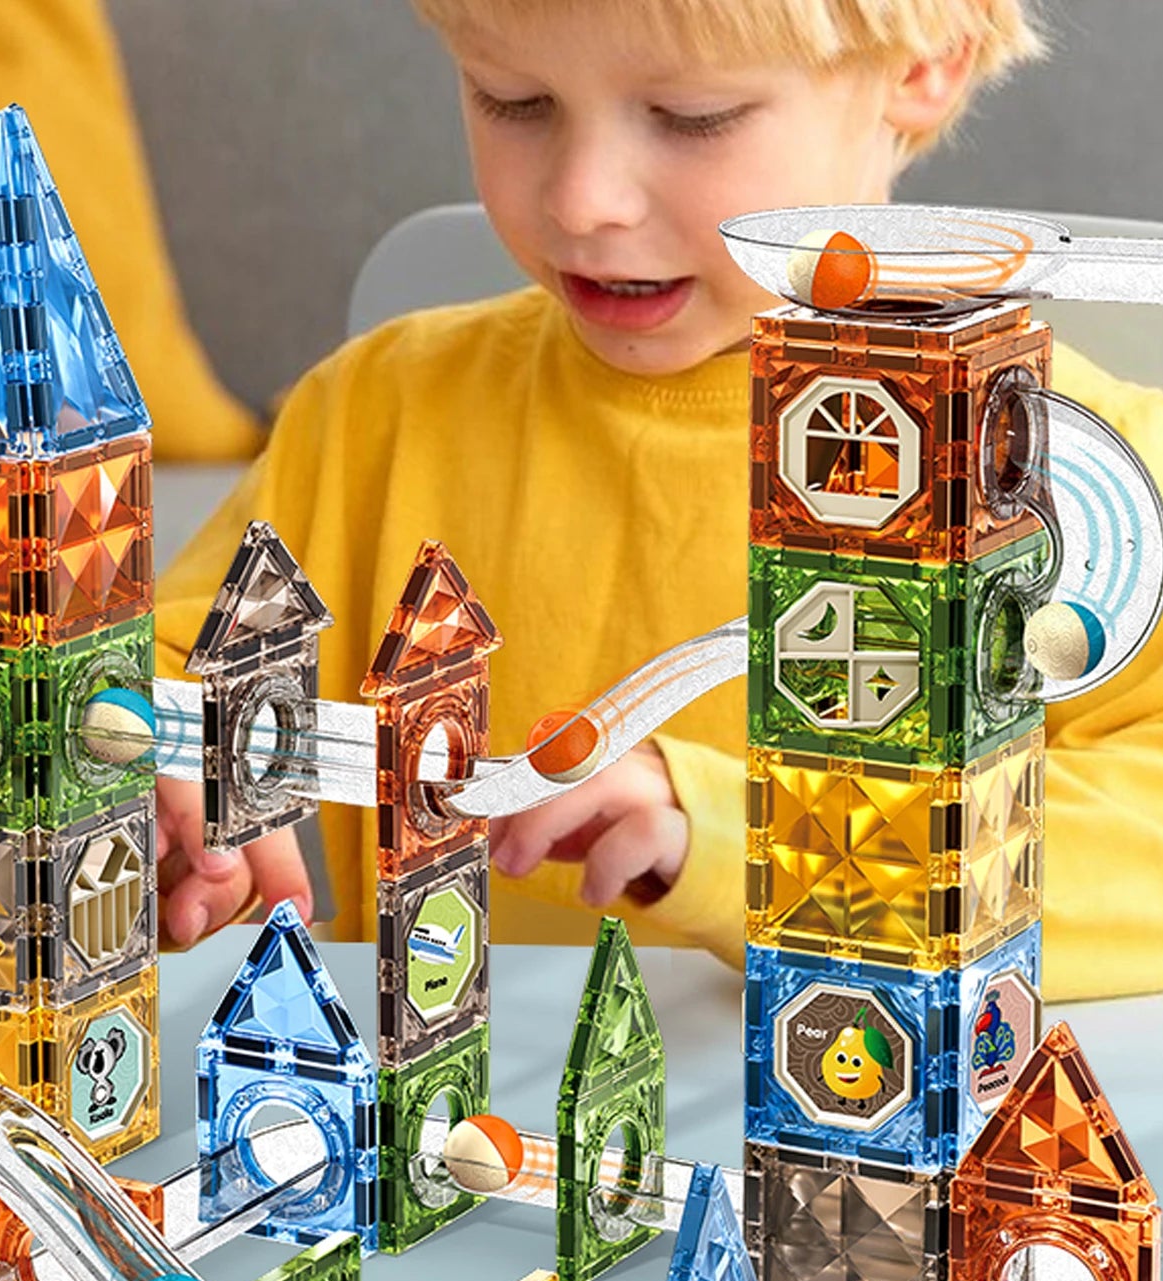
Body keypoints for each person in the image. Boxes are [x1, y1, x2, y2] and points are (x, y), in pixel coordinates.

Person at [151, 0, 1163, 1002]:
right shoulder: (375, 413)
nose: (581, 200)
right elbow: (151, 683)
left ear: (921, 65)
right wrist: (164, 793)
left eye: (692, 117)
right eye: (513, 100)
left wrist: (747, 837)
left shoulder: (1070, 477)